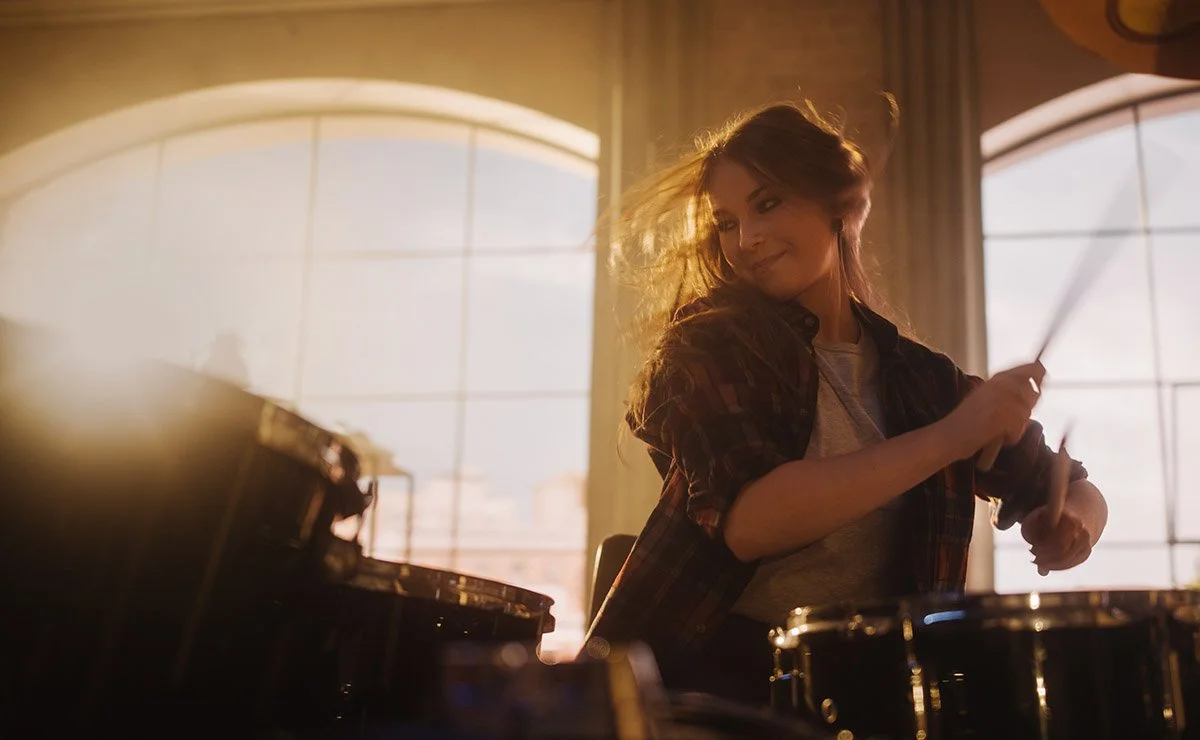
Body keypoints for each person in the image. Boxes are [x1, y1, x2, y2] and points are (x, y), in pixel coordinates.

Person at [581, 99, 1109, 707]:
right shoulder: (709, 346)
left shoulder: (924, 381)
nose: (746, 239)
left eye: (767, 204)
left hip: (878, 693)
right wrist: (954, 436)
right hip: (707, 694)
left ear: (839, 205)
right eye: (726, 222)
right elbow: (751, 523)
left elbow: (1077, 491)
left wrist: (1073, 526)